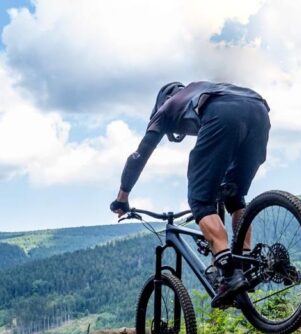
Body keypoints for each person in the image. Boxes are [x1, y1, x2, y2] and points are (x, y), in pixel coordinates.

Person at [111, 81, 271, 308]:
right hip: (259, 110)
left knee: (200, 200)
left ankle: (228, 272)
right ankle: (245, 262)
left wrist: (122, 196)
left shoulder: (166, 109)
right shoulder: (198, 91)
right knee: (234, 195)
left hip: (222, 112)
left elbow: (139, 155)